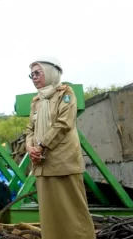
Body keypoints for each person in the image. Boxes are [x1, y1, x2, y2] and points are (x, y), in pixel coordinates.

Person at [24, 57, 95, 239]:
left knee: (73, 211)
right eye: (31, 74)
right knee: (50, 215)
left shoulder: (66, 93)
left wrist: (41, 146)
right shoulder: (36, 101)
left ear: (51, 72)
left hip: (64, 161)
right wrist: (29, 147)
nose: (34, 77)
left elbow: (63, 124)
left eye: (37, 73)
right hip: (42, 165)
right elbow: (30, 128)